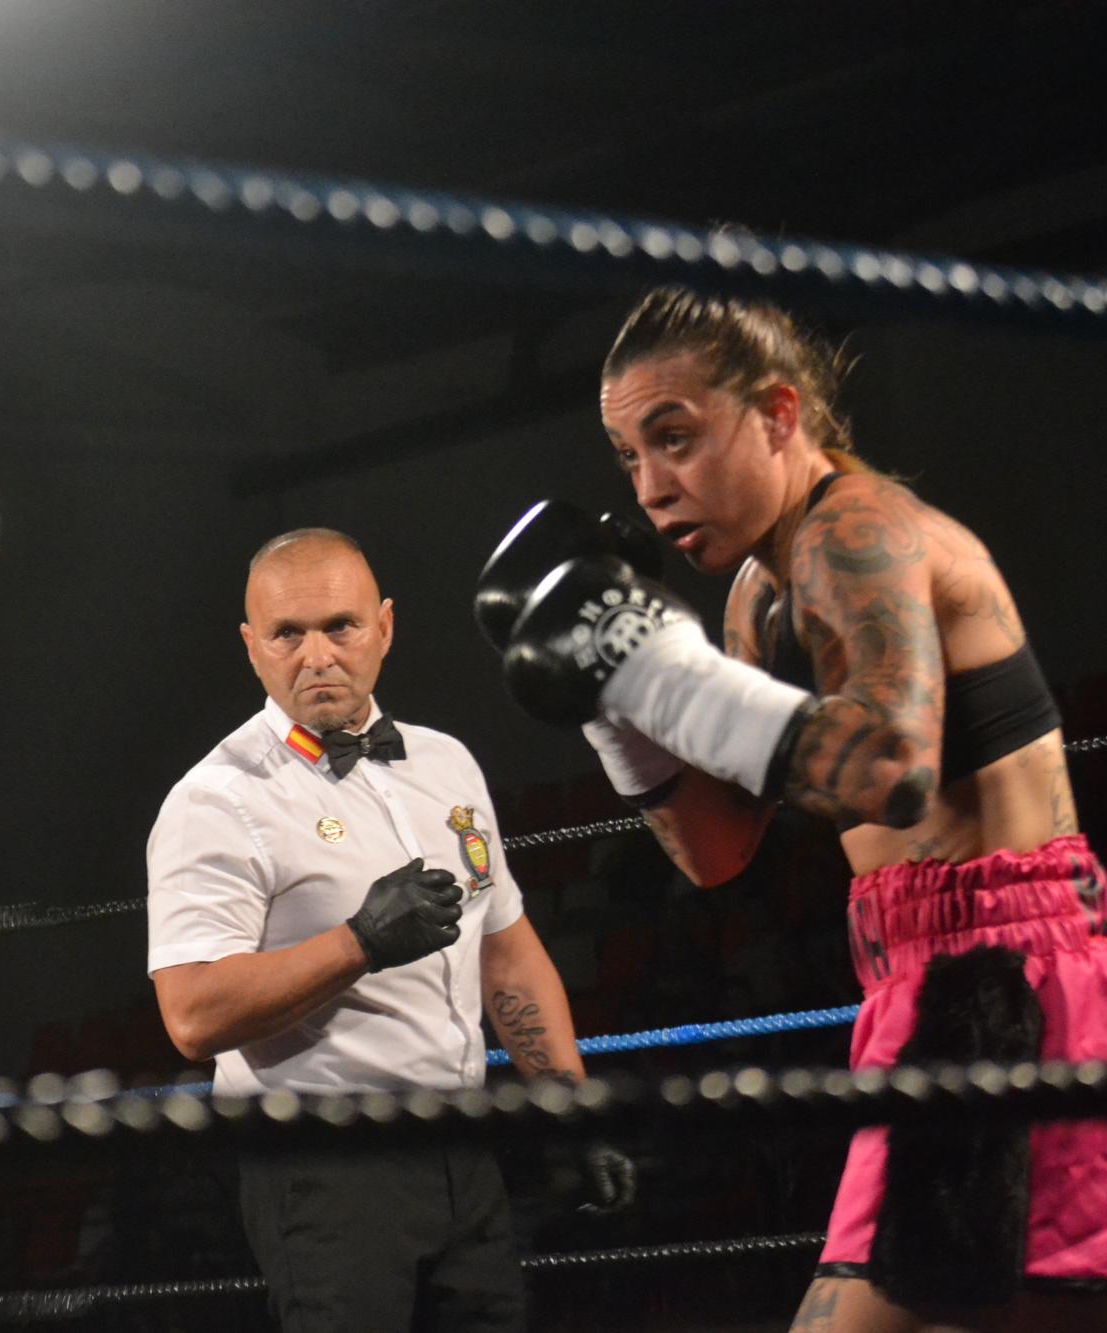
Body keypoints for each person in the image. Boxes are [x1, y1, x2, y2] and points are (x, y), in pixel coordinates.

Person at [481, 286, 1107, 1332]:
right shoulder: (752, 596)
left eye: (673, 439)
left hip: (1014, 978)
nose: (650, 488)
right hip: (921, 983)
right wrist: (616, 708)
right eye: (628, 456)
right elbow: (718, 851)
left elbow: (890, 768)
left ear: (778, 415)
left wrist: (658, 671)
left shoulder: (854, 529)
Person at [146, 528, 631, 1333]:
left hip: (464, 1154)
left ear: (385, 627)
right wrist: (359, 942)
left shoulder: (448, 766)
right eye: (287, 634)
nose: (316, 655)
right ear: (251, 646)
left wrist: (569, 1107)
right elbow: (192, 1014)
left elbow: (505, 953)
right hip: (324, 1165)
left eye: (339, 625)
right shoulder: (217, 800)